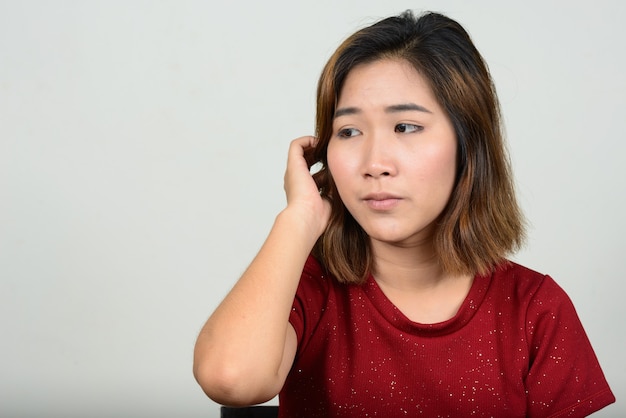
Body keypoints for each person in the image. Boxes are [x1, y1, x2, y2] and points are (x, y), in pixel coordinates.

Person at [193, 10, 615, 417]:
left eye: (406, 127)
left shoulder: (535, 309)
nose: (375, 162)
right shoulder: (308, 292)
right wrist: (298, 218)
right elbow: (231, 380)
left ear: (468, 144)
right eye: (349, 131)